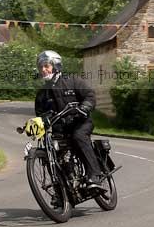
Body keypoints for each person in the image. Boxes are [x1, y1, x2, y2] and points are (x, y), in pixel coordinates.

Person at [34, 50, 105, 190]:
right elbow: (40, 115)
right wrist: (38, 125)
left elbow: (89, 95)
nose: (43, 70)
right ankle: (61, 190)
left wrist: (85, 107)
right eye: (41, 67)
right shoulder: (42, 93)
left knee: (78, 136)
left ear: (56, 65)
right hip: (60, 130)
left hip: (81, 122)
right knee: (50, 151)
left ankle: (94, 176)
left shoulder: (72, 80)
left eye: (46, 66)